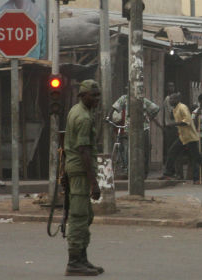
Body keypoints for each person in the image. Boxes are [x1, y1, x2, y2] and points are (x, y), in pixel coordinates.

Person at [63, 80, 104, 276]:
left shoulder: (77, 111)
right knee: (79, 216)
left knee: (86, 215)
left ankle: (82, 258)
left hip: (76, 170)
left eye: (98, 95)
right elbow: (83, 151)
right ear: (83, 95)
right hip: (80, 172)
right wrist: (94, 182)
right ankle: (74, 262)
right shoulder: (84, 118)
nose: (97, 99)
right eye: (93, 96)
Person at [161, 94, 202, 186]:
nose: (170, 101)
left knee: (198, 158)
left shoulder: (182, 107)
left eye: (172, 99)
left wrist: (173, 124)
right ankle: (168, 173)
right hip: (183, 136)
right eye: (170, 99)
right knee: (172, 151)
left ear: (177, 100)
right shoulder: (175, 109)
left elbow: (187, 122)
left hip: (190, 137)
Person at [106, 92, 160, 176]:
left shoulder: (143, 100)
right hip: (129, 128)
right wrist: (108, 117)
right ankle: (129, 170)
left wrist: (150, 117)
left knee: (145, 149)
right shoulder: (124, 98)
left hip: (143, 128)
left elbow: (156, 108)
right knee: (129, 149)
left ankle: (145, 172)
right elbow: (114, 107)